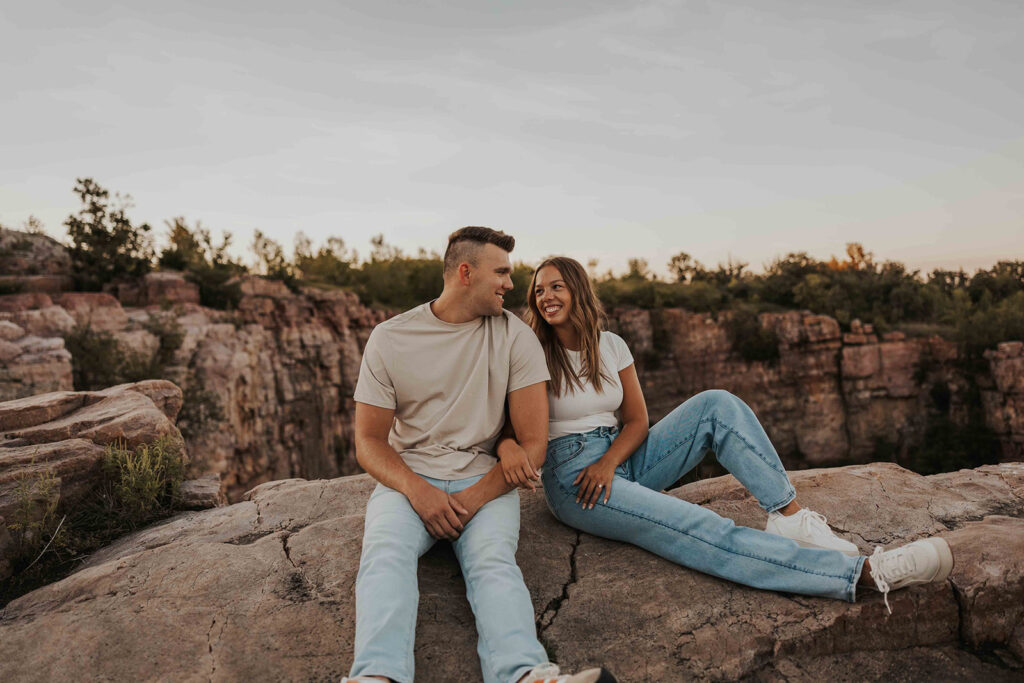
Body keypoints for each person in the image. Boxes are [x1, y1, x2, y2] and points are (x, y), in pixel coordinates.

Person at [495, 255, 953, 613]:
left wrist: (611, 461)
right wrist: (512, 447)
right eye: (538, 289)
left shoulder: (610, 344)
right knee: (695, 525)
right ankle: (863, 574)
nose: (546, 296)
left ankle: (788, 515)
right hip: (574, 479)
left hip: (617, 458)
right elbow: (499, 424)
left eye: (556, 285)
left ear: (577, 289)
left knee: (717, 403)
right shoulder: (531, 349)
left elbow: (637, 421)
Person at [344, 232, 616, 683]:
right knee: (384, 553)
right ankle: (377, 676)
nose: (511, 284)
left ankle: (526, 674)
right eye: (502, 272)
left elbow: (533, 445)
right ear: (465, 273)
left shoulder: (517, 337)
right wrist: (419, 492)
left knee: (493, 562)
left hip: (485, 484)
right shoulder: (390, 338)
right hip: (410, 483)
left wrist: (469, 501)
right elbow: (369, 442)